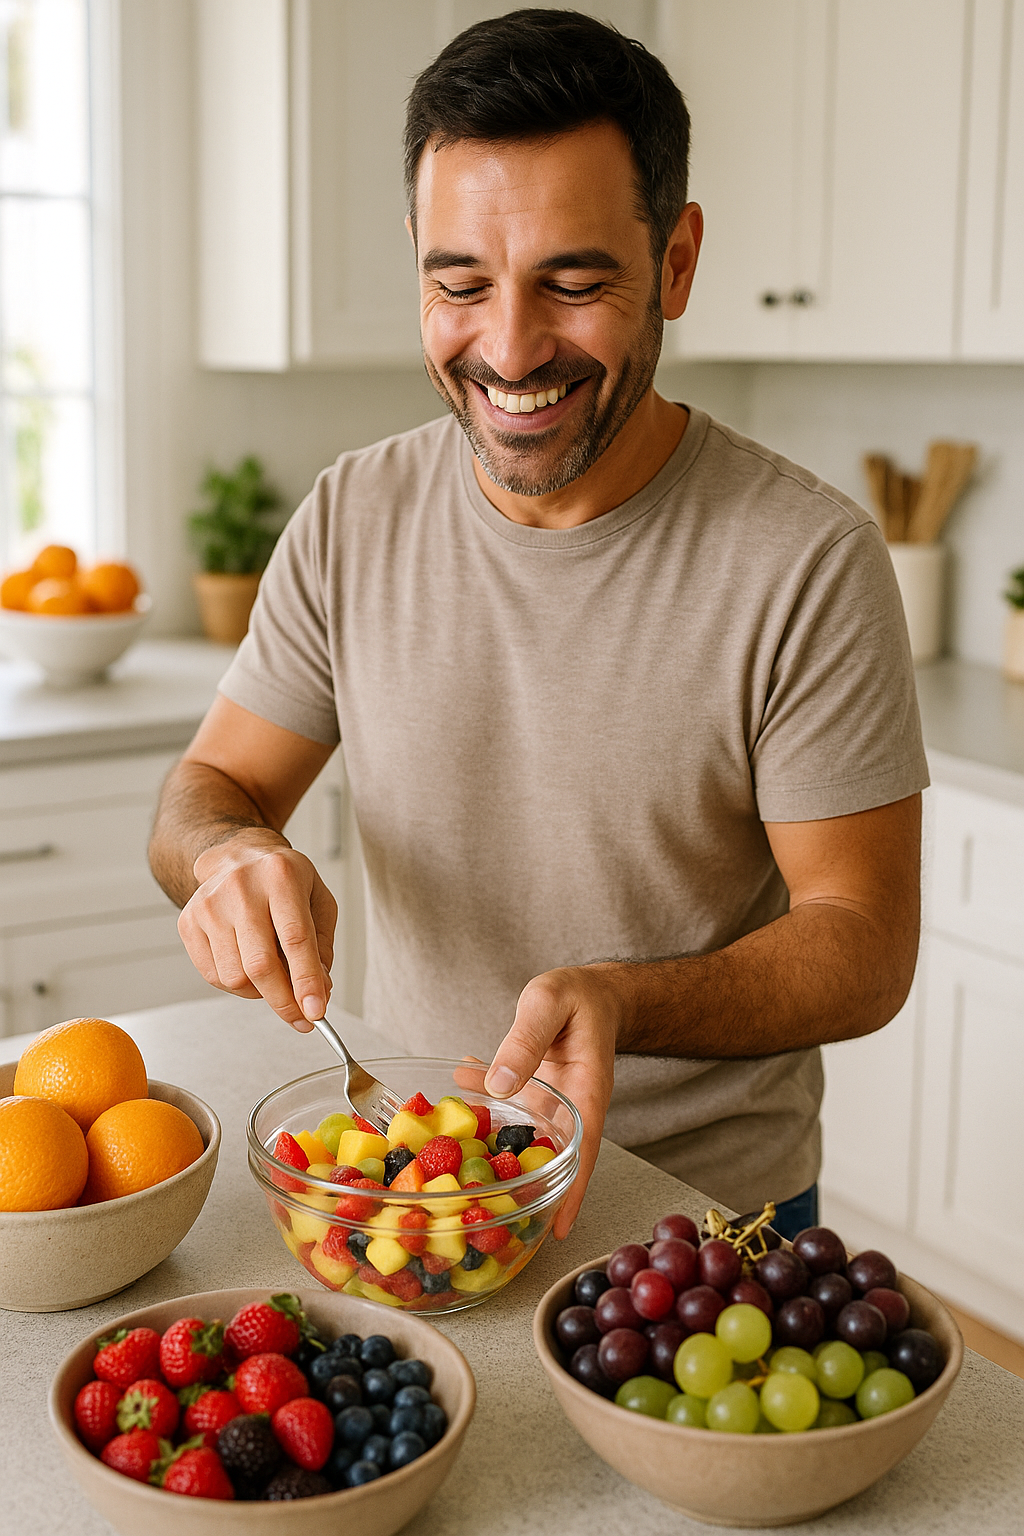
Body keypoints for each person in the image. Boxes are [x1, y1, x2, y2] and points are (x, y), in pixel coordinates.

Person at [150, 10, 927, 1242]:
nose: (508, 350)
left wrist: (621, 1000)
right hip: (428, 1191)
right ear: (415, 258)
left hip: (703, 1220)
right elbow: (212, 786)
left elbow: (864, 944)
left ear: (675, 261)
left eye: (574, 283)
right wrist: (224, 857)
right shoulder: (354, 511)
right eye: (459, 283)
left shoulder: (804, 560)